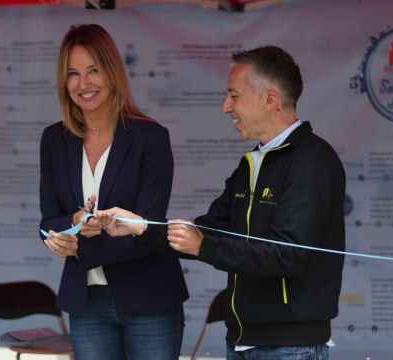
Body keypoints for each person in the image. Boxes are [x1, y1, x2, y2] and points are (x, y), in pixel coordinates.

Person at [99, 46, 345, 360]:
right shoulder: (251, 163)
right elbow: (208, 229)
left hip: (290, 347)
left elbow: (287, 255)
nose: (225, 106)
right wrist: (141, 227)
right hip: (242, 341)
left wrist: (204, 246)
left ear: (269, 99)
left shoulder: (313, 161)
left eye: (234, 95)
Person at [39, 24, 187, 360]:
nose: (83, 83)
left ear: (112, 72)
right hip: (86, 303)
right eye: (73, 74)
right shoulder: (53, 140)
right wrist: (66, 229)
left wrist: (81, 245)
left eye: (93, 70)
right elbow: (48, 219)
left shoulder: (150, 137)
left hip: (150, 300)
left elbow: (150, 228)